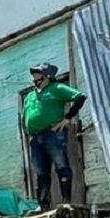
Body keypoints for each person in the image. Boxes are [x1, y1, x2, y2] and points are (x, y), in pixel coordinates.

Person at [23, 62, 86, 209]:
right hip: (35, 137)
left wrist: (67, 118)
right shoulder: (30, 95)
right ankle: (43, 205)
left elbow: (80, 97)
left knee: (61, 166)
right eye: (34, 79)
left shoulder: (57, 88)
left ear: (47, 77)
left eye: (38, 78)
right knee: (41, 172)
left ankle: (66, 202)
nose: (35, 81)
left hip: (52, 133)